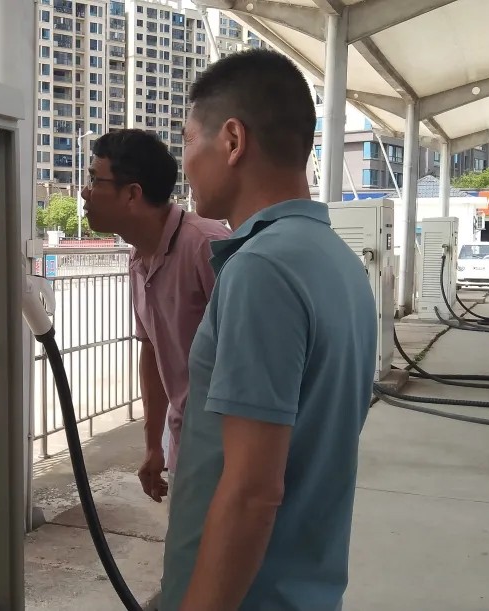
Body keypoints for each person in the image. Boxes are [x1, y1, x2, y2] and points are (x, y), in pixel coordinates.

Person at [160, 49, 377, 610]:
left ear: (233, 140)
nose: (185, 164)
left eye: (189, 141)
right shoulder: (337, 261)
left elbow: (252, 492)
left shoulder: (261, 269)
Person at [81, 129, 230, 504]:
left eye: (95, 180)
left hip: (229, 453)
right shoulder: (137, 257)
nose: (84, 192)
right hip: (184, 441)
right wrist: (153, 445)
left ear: (132, 194)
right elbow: (152, 349)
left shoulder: (207, 246)